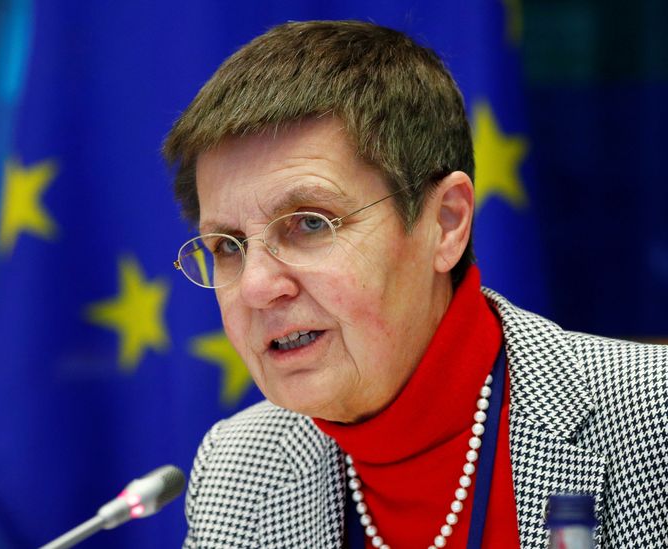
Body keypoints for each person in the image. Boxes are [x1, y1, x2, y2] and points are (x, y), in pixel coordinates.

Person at [163, 20, 667, 549]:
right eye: (227, 246)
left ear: (445, 223)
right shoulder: (239, 468)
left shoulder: (648, 422)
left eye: (310, 222)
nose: (256, 287)